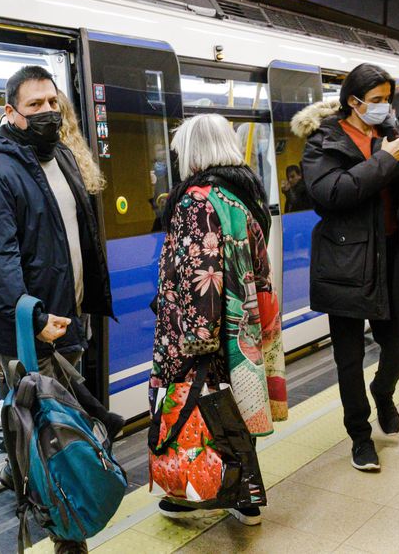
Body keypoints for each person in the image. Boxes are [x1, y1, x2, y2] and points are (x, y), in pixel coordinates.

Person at [0, 66, 114, 554]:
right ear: (10, 111)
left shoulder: (64, 160)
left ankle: (45, 499)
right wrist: (32, 318)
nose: (48, 112)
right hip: (30, 335)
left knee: (59, 433)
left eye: (52, 103)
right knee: (50, 438)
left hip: (68, 322)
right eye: (35, 105)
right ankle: (64, 536)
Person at [293, 62, 399, 472]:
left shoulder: (391, 134)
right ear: (353, 102)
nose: (383, 108)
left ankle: (383, 390)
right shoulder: (322, 142)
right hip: (344, 259)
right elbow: (332, 194)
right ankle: (360, 436)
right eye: (376, 101)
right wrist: (383, 161)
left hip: (391, 253)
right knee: (348, 356)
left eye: (388, 100)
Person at [151, 114, 287, 526]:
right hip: (244, 323)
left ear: (192, 151)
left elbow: (199, 276)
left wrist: (195, 343)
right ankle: (246, 497)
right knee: (235, 406)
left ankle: (200, 489)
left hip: (208, 328)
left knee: (197, 407)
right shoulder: (244, 193)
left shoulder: (196, 200)